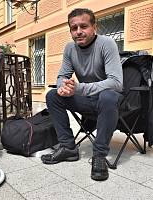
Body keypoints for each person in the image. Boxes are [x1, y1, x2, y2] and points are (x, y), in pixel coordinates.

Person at [41, 8, 123, 181]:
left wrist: (79, 88)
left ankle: (99, 156)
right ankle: (68, 147)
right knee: (53, 95)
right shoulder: (70, 48)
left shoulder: (107, 44)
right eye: (74, 28)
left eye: (83, 26)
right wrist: (63, 87)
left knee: (108, 96)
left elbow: (116, 83)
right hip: (87, 102)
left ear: (94, 27)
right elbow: (62, 75)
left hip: (108, 103)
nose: (78, 32)